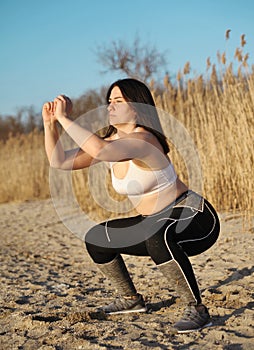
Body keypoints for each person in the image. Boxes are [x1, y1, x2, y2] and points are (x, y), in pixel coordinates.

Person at [42, 78, 220, 333]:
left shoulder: (145, 139)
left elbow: (102, 150)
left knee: (158, 236)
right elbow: (59, 161)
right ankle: (130, 299)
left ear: (137, 107)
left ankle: (197, 309)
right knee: (97, 238)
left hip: (195, 218)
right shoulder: (111, 141)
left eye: (118, 101)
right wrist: (51, 124)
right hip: (153, 224)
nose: (109, 107)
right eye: (108, 102)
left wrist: (66, 119)